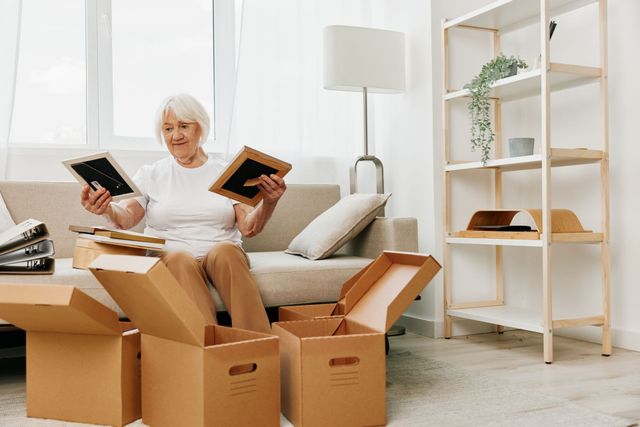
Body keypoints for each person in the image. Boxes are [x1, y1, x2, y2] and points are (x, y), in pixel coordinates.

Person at [80, 93, 286, 333]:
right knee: (179, 258)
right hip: (171, 255)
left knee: (227, 253)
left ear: (201, 128)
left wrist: (269, 202)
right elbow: (126, 218)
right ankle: (208, 354)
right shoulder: (152, 173)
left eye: (183, 126)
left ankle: (259, 349)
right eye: (167, 129)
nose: (175, 135)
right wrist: (106, 208)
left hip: (220, 250)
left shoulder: (227, 171)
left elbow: (249, 228)